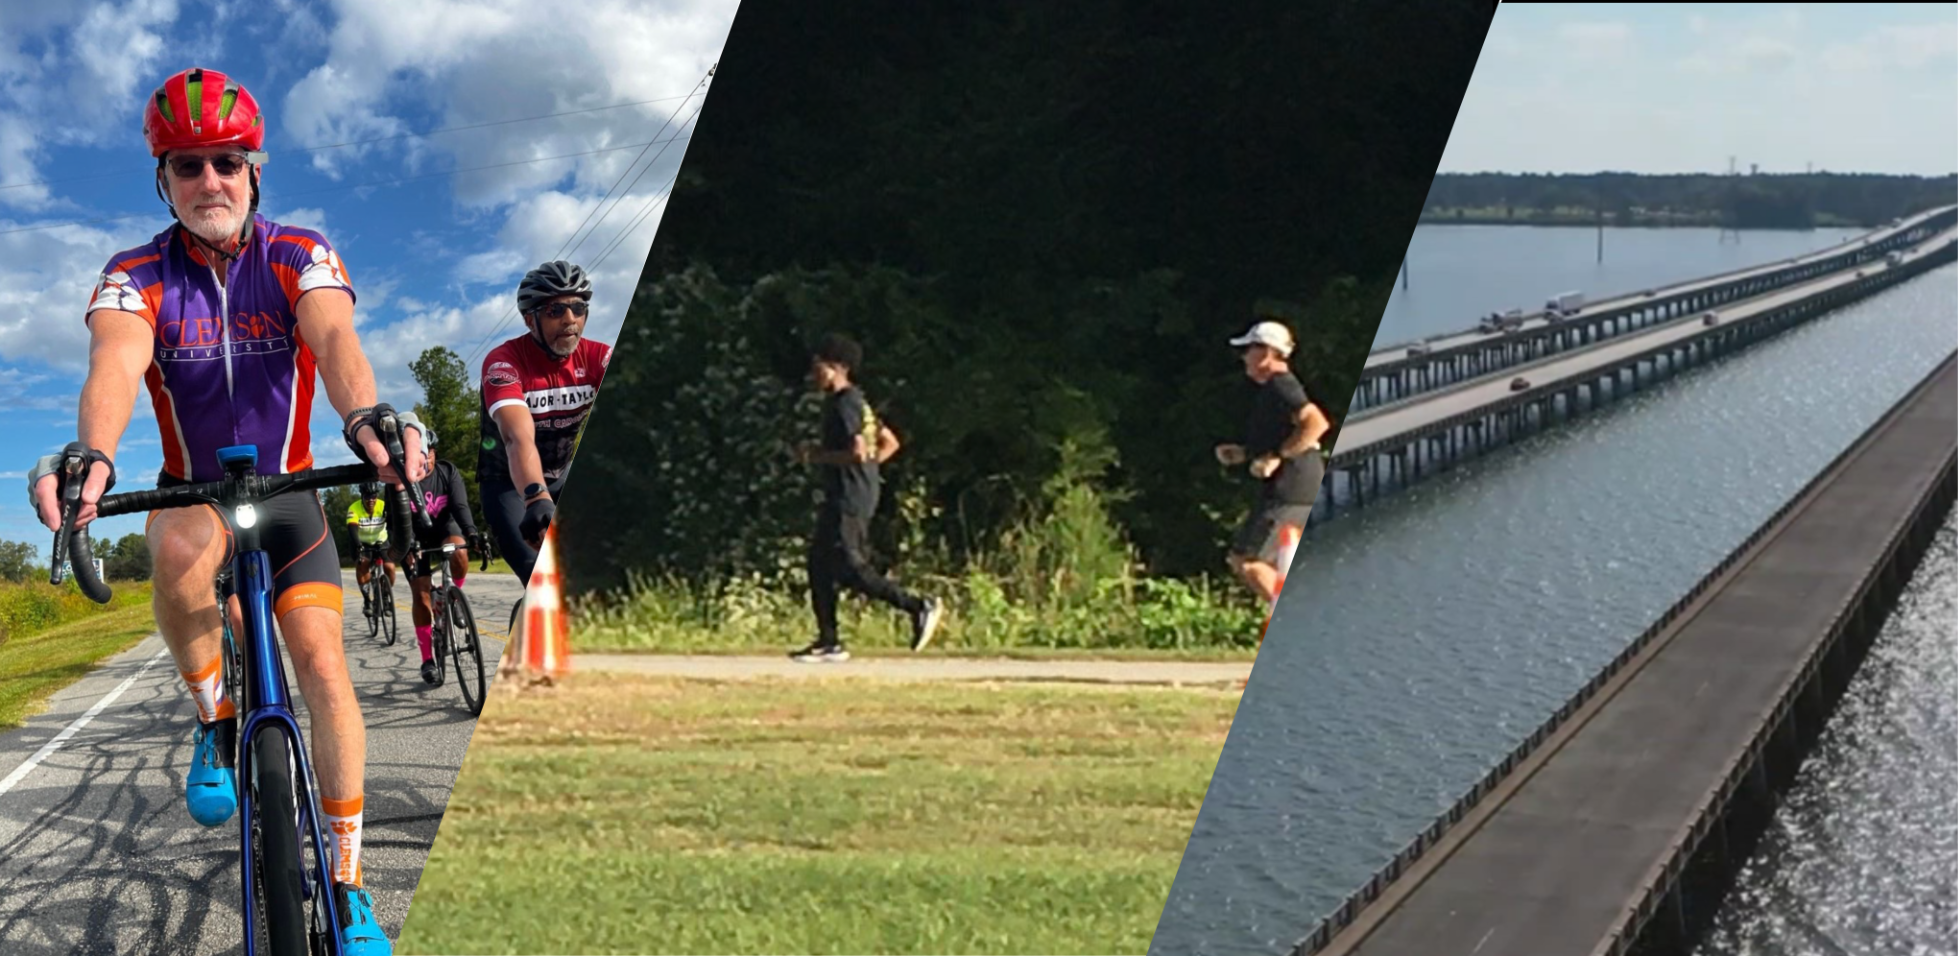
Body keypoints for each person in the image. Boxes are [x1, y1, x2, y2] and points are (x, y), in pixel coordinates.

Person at [26, 67, 425, 956]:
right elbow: (116, 369)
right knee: (172, 554)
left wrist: (364, 416)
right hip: (194, 493)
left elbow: (334, 338)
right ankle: (215, 719)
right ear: (163, 181)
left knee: (324, 665)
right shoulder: (135, 275)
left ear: (254, 171)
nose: (210, 181)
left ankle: (349, 883)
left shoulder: (299, 252)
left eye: (226, 164)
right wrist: (91, 451)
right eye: (187, 166)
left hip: (290, 497)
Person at [791, 333, 943, 663]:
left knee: (849, 565)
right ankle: (828, 640)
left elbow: (857, 452)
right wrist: (869, 474)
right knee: (819, 563)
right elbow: (889, 442)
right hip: (856, 491)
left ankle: (917, 605)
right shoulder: (859, 402)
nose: (814, 373)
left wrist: (816, 456)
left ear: (837, 368)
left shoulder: (845, 403)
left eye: (819, 366)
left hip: (848, 497)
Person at [477, 260, 610, 591]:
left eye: (578, 307)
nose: (570, 319)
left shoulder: (598, 357)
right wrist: (535, 496)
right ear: (529, 320)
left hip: (562, 475)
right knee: (542, 581)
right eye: (555, 310)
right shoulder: (504, 362)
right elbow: (516, 437)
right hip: (509, 483)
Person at [1214, 320, 1331, 611]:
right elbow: (1285, 433)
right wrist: (1245, 453)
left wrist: (1279, 456)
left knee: (1247, 560)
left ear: (1267, 352)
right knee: (1281, 564)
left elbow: (1316, 423)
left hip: (1289, 487)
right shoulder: (1275, 389)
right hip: (1300, 485)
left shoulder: (1282, 384)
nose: (1244, 357)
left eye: (1248, 349)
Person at [394, 451, 481, 686]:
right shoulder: (399, 477)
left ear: (433, 452)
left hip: (444, 528)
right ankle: (427, 660)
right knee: (421, 595)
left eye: (427, 453)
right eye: (418, 453)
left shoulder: (447, 471)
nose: (424, 458)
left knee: (460, 552)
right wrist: (409, 545)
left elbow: (460, 505)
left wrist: (471, 532)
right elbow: (396, 518)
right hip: (413, 537)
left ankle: (450, 597)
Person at [346, 482, 395, 617]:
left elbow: (392, 523)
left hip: (381, 541)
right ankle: (367, 600)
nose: (371, 500)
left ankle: (385, 596)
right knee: (363, 564)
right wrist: (358, 545)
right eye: (367, 497)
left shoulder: (383, 505)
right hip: (362, 542)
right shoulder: (354, 508)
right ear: (362, 496)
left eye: (373, 496)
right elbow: (352, 528)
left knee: (390, 567)